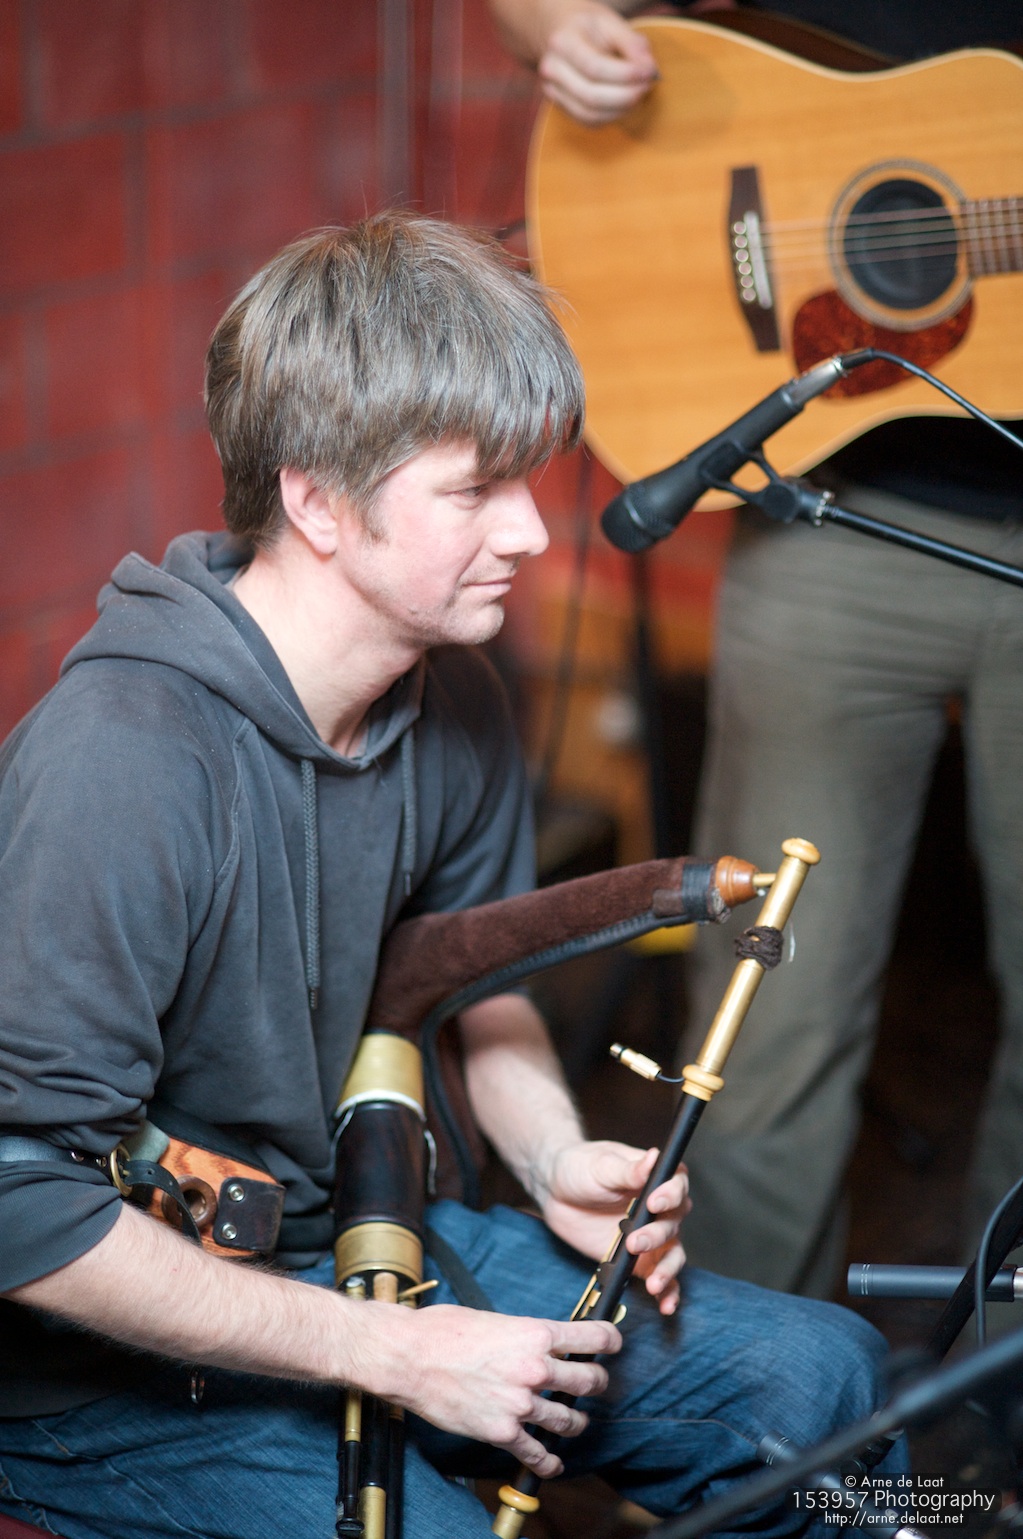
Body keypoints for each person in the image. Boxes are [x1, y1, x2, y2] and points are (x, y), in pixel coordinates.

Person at [0, 215, 899, 1539]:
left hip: (359, 1239)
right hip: (99, 1365)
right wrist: (393, 1355)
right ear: (317, 502)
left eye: (527, 480)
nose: (531, 531)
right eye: (475, 491)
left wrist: (551, 1155)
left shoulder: (456, 695)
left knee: (818, 1382)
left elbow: (479, 986)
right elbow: (22, 1204)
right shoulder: (123, 760)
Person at [487, 0, 1023, 1297]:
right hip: (830, 516)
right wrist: (554, 27)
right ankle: (749, 1397)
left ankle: (998, 1395)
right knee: (762, 1019)